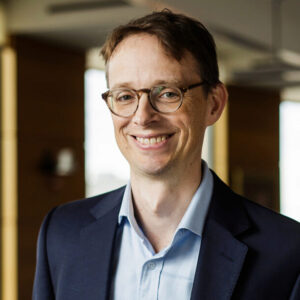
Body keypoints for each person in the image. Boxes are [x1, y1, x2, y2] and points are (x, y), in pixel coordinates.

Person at [33, 9, 300, 300]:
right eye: (124, 96)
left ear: (214, 103)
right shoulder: (62, 234)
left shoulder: (287, 252)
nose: (143, 116)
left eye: (168, 93)